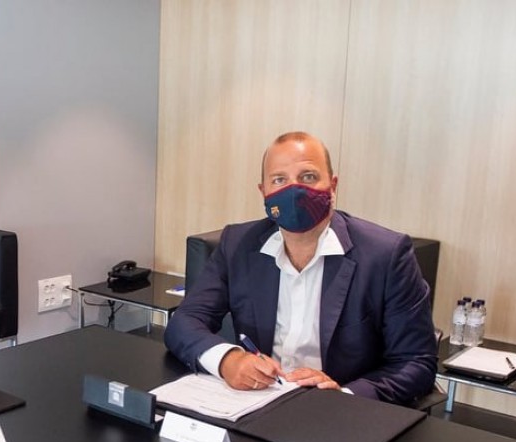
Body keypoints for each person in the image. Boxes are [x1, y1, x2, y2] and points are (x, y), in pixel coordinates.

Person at [165, 131, 437, 404]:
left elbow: (416, 362)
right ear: (263, 192)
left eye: (308, 177)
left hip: (339, 412)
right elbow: (185, 321)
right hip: (257, 402)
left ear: (332, 186)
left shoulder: (386, 255)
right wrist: (228, 360)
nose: (293, 191)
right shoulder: (237, 245)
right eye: (279, 180)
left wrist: (344, 397)